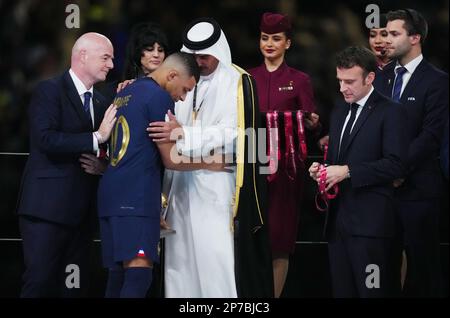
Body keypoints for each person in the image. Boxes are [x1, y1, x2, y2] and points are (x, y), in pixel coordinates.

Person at [148, 17, 273, 298]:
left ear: (218, 52)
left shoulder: (238, 82)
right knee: (179, 265)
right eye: (193, 57)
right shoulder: (181, 78)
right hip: (178, 185)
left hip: (217, 185)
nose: (199, 63)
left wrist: (185, 135)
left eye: (204, 57)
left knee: (215, 262)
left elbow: (235, 133)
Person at [98, 52, 232, 298]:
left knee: (117, 276)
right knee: (138, 277)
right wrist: (210, 162)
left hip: (109, 195)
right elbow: (171, 160)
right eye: (184, 89)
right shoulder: (159, 97)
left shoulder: (126, 91)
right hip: (135, 198)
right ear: (172, 75)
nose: (182, 97)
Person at [17, 32, 117, 297]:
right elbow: (46, 139)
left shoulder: (103, 100)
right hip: (46, 211)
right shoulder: (49, 90)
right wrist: (96, 138)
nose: (111, 65)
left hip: (83, 215)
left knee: (74, 291)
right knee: (39, 283)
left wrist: (103, 163)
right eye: (105, 58)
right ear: (83, 56)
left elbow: (107, 148)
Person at [308, 46, 408, 297]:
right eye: (339, 81)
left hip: (371, 228)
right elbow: (336, 162)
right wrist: (322, 170)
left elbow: (396, 164)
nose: (342, 88)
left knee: (372, 293)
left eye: (349, 81)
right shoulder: (340, 110)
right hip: (338, 225)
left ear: (370, 78)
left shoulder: (392, 112)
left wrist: (348, 171)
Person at [376, 9, 449, 297]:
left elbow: (431, 136)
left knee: (423, 270)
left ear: (415, 38)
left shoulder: (438, 81)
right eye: (385, 33)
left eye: (394, 34)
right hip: (383, 192)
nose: (386, 40)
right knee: (383, 267)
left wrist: (395, 168)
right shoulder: (380, 80)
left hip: (419, 191)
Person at [248, 12, 320, 298]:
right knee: (251, 238)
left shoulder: (299, 80)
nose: (269, 44)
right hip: (252, 164)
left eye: (276, 39)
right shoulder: (246, 78)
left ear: (288, 43)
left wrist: (314, 123)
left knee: (279, 239)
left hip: (287, 169)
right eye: (265, 38)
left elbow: (311, 121)